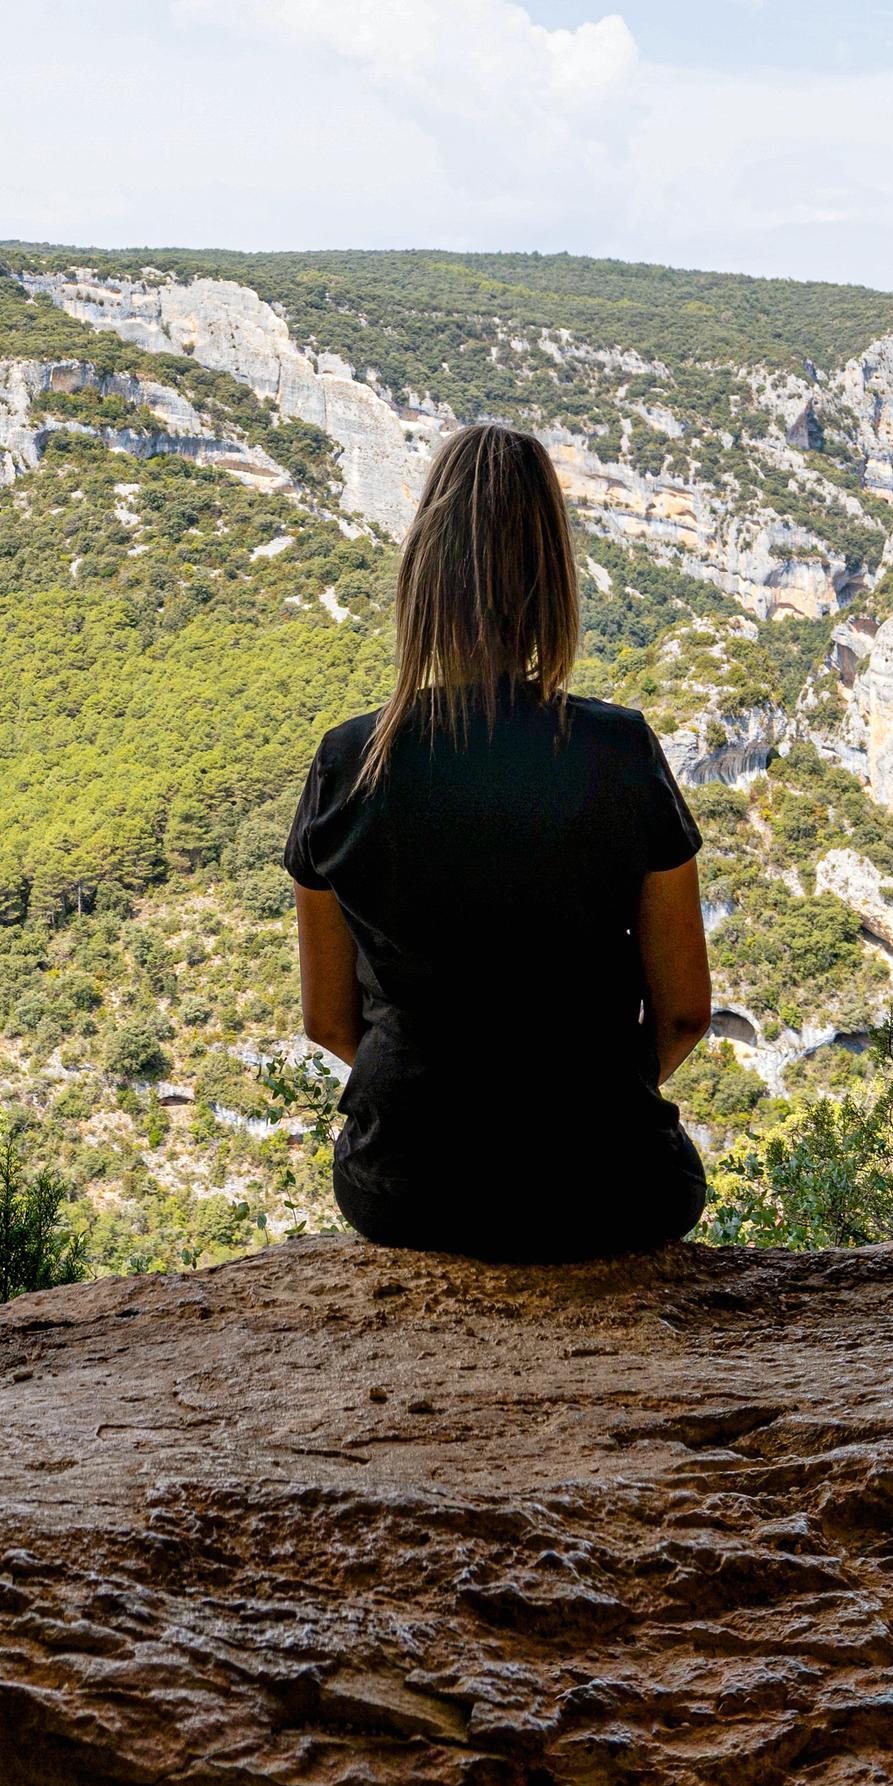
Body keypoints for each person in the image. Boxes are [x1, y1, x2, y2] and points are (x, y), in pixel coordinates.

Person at [282, 421, 718, 1260]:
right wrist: (582, 1102)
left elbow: (327, 1018)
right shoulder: (618, 752)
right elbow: (686, 1011)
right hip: (610, 1184)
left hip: (408, 1186)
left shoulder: (347, 763)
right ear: (552, 580)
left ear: (423, 574)